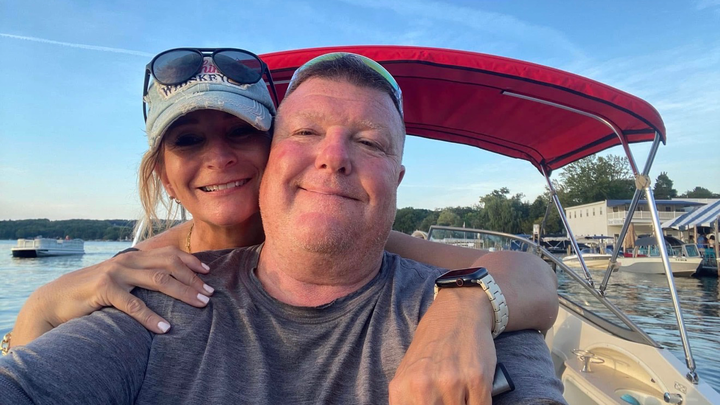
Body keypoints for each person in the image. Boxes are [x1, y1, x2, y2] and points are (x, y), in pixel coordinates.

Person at [1, 51, 564, 404]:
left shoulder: (410, 275)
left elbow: (529, 274)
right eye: (188, 141)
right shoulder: (149, 282)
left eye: (239, 134)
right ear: (164, 179)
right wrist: (42, 307)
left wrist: (465, 303)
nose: (219, 159)